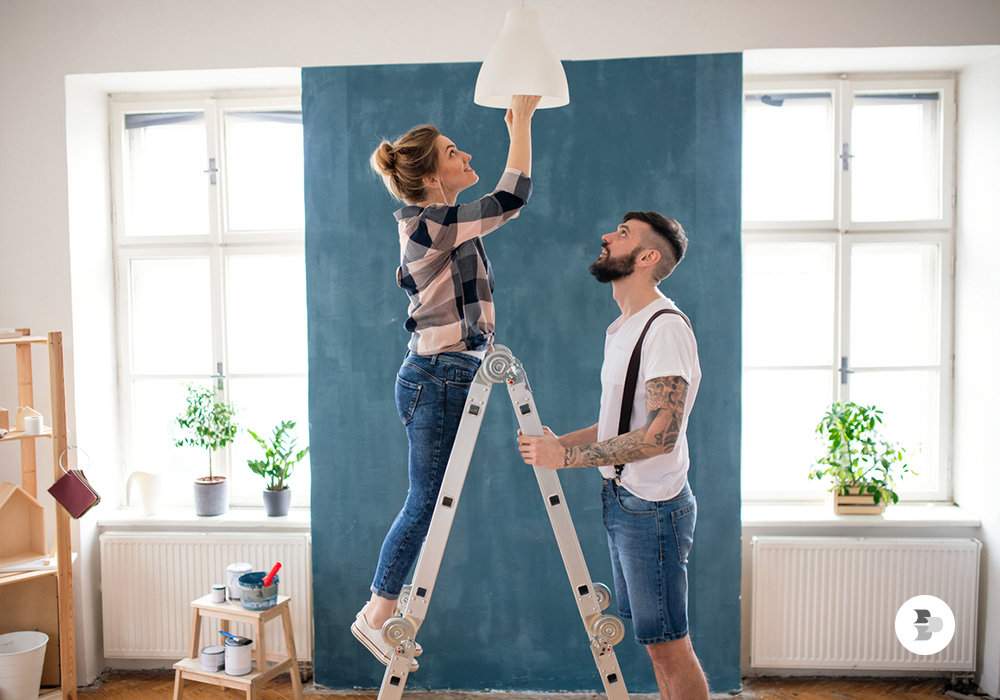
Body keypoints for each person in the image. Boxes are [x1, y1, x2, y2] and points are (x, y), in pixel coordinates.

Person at [352, 95, 542, 670]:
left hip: (449, 375)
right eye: (453, 152)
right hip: (436, 377)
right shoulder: (430, 224)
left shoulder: (447, 226)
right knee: (426, 499)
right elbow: (511, 197)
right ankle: (377, 614)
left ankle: (384, 608)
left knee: (431, 499)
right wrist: (522, 123)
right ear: (433, 176)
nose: (466, 156)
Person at [516, 211, 710, 700]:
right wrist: (563, 444)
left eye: (622, 234)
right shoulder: (625, 326)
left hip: (653, 508)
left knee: (669, 647)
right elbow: (621, 425)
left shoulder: (664, 327)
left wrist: (565, 460)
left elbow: (660, 436)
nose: (606, 235)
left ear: (646, 257)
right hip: (624, 500)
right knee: (657, 645)